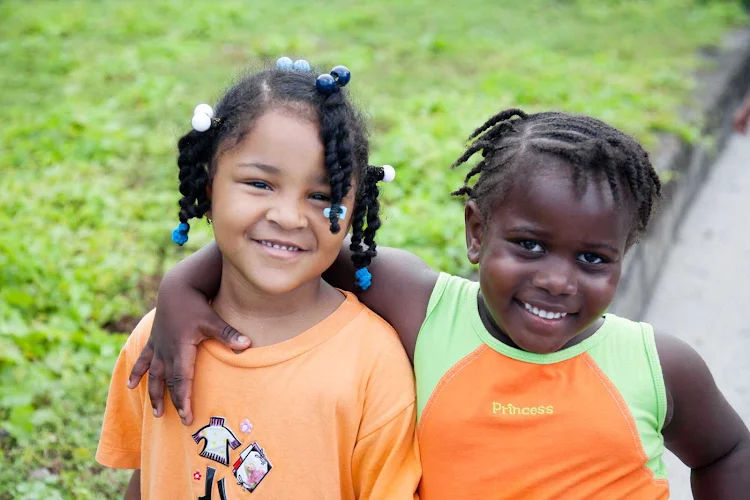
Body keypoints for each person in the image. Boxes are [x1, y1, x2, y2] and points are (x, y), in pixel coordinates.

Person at [130, 108, 750, 498]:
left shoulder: (657, 365)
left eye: (593, 259)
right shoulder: (419, 306)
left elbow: (727, 451)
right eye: (529, 245)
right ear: (476, 232)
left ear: (623, 256)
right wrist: (182, 288)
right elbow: (295, 246)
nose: (559, 281)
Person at [96, 57, 421, 500]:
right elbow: (149, 472)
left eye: (321, 195)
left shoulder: (373, 366)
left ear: (353, 210)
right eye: (260, 184)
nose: (288, 217)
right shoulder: (159, 340)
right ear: (208, 188)